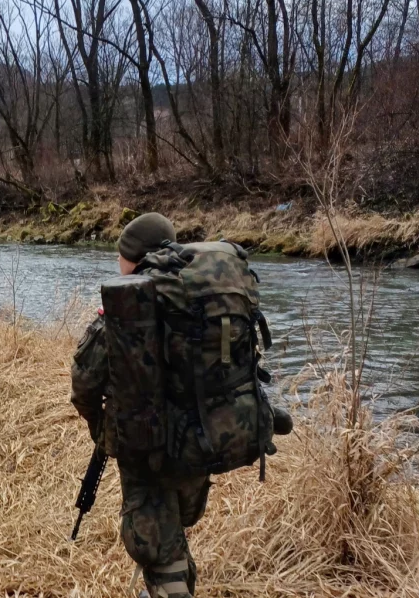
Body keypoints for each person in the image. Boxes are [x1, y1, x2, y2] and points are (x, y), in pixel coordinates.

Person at [71, 213, 293, 598]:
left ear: (132, 257)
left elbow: (84, 384)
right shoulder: (207, 290)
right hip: (203, 437)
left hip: (150, 447)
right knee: (172, 538)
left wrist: (105, 429)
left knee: (158, 548)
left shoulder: (130, 308)